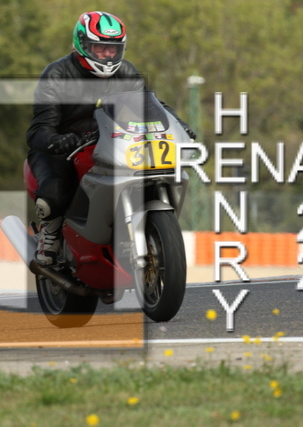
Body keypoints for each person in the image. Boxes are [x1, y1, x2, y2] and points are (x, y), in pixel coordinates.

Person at [26, 11, 195, 265]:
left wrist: (179, 127)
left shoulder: (126, 71)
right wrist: (58, 140)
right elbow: (39, 129)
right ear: (82, 44)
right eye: (100, 47)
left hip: (111, 144)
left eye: (113, 49)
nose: (107, 54)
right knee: (56, 192)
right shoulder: (57, 74)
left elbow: (153, 105)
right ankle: (50, 234)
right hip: (63, 149)